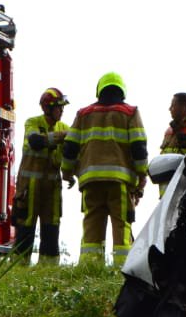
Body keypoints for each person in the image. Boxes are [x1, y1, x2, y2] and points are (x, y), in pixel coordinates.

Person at [61, 72, 148, 267]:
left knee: (92, 224)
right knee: (121, 224)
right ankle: (122, 269)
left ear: (99, 91)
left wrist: (66, 172)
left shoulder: (83, 114)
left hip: (91, 181)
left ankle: (90, 267)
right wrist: (142, 175)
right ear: (122, 91)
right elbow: (139, 147)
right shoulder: (130, 112)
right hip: (120, 182)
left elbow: (70, 147)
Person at [13, 87, 70, 263]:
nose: (62, 110)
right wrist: (61, 136)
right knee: (25, 229)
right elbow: (35, 141)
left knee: (51, 230)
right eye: (59, 107)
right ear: (48, 108)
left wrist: (70, 173)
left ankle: (48, 270)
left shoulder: (64, 127)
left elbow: (71, 152)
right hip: (29, 189)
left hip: (52, 190)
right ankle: (19, 269)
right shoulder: (32, 123)